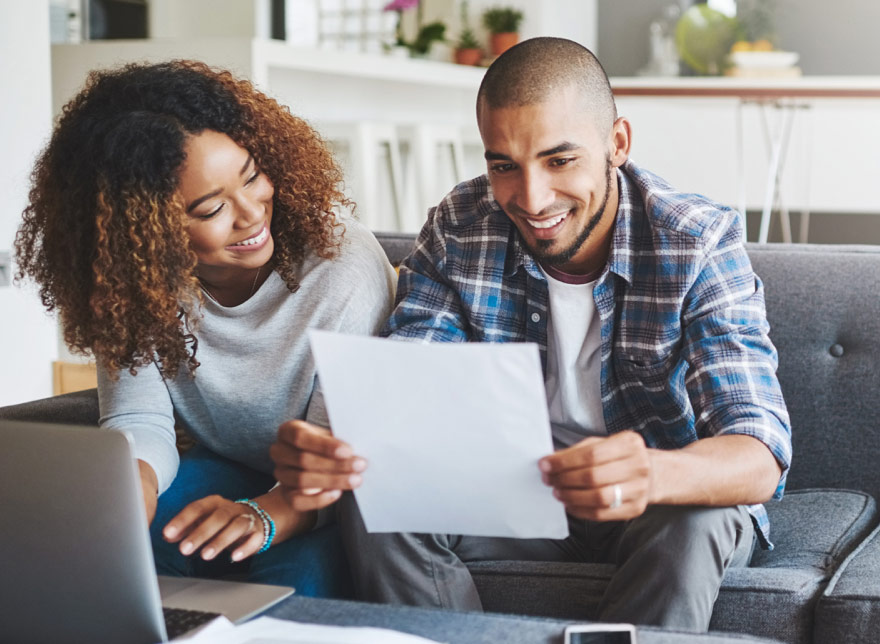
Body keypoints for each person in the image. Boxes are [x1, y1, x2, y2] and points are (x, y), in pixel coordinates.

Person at [269, 37, 792, 629]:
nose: (532, 198)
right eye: (503, 166)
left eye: (559, 160)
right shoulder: (461, 227)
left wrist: (650, 473)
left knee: (701, 518)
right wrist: (340, 445)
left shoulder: (695, 240)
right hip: (519, 495)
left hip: (658, 500)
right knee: (374, 497)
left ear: (616, 143)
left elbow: (759, 452)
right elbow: (413, 379)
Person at [14, 60, 396, 596]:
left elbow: (338, 454)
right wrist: (133, 484)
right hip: (223, 466)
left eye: (252, 176)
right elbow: (140, 417)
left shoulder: (340, 266)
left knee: (299, 586)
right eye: (210, 208)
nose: (251, 214)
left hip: (327, 492)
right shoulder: (134, 283)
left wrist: (264, 516)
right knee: (126, 554)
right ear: (141, 228)